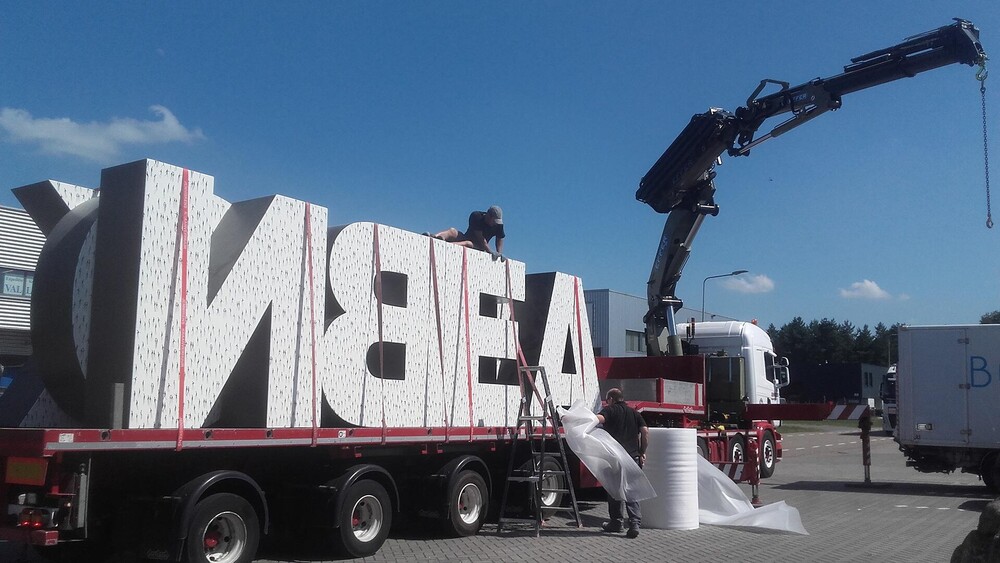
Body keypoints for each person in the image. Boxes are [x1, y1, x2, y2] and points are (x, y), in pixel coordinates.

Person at [596, 387, 649, 538]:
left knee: (614, 490)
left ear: (611, 399)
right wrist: (642, 451)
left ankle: (616, 523)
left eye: (607, 401)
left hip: (614, 458)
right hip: (632, 458)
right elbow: (645, 431)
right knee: (631, 490)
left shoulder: (610, 410)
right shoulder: (634, 413)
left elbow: (598, 419)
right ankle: (634, 524)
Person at [426, 205, 505, 260]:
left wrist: (499, 253)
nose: (495, 223)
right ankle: (435, 238)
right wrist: (490, 251)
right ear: (488, 215)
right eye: (494, 220)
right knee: (452, 231)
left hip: (479, 247)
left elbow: (499, 239)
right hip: (472, 239)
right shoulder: (477, 217)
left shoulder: (498, 225)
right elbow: (481, 239)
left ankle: (446, 246)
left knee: (468, 243)